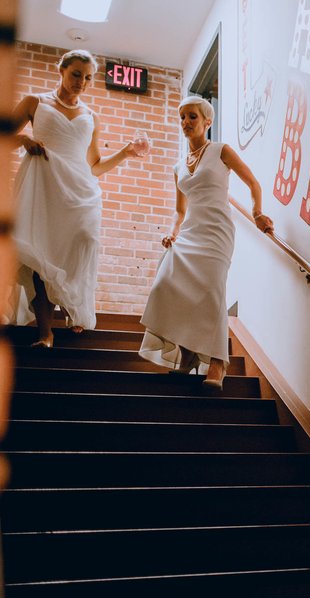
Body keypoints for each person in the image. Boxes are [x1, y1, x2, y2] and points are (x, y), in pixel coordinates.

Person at [9, 49, 147, 347]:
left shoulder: (91, 117)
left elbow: (94, 166)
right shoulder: (36, 102)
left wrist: (125, 153)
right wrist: (22, 139)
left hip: (79, 190)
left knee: (85, 241)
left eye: (87, 78)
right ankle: (45, 332)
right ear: (61, 69)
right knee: (40, 253)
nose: (81, 83)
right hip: (42, 186)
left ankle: (73, 305)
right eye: (76, 75)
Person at [139, 95, 272, 389]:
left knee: (212, 290)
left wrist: (258, 212)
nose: (186, 122)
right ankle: (187, 357)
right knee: (169, 286)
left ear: (207, 122)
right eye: (182, 117)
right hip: (189, 232)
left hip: (217, 231)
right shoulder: (178, 167)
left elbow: (253, 183)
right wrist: (173, 232)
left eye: (192, 117)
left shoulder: (221, 151)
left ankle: (217, 363)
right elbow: (180, 210)